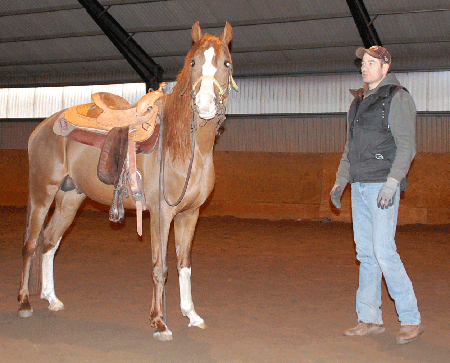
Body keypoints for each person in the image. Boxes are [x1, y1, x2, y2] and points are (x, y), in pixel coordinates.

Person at [330, 45, 423, 345]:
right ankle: (369, 318)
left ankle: (410, 319)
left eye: (371, 62)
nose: (365, 67)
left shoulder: (397, 97)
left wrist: (393, 182)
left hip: (382, 187)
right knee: (366, 254)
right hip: (359, 186)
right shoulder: (357, 103)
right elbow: (350, 148)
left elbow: (407, 146)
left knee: (384, 251)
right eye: (363, 62)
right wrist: (340, 181)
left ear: (386, 67)